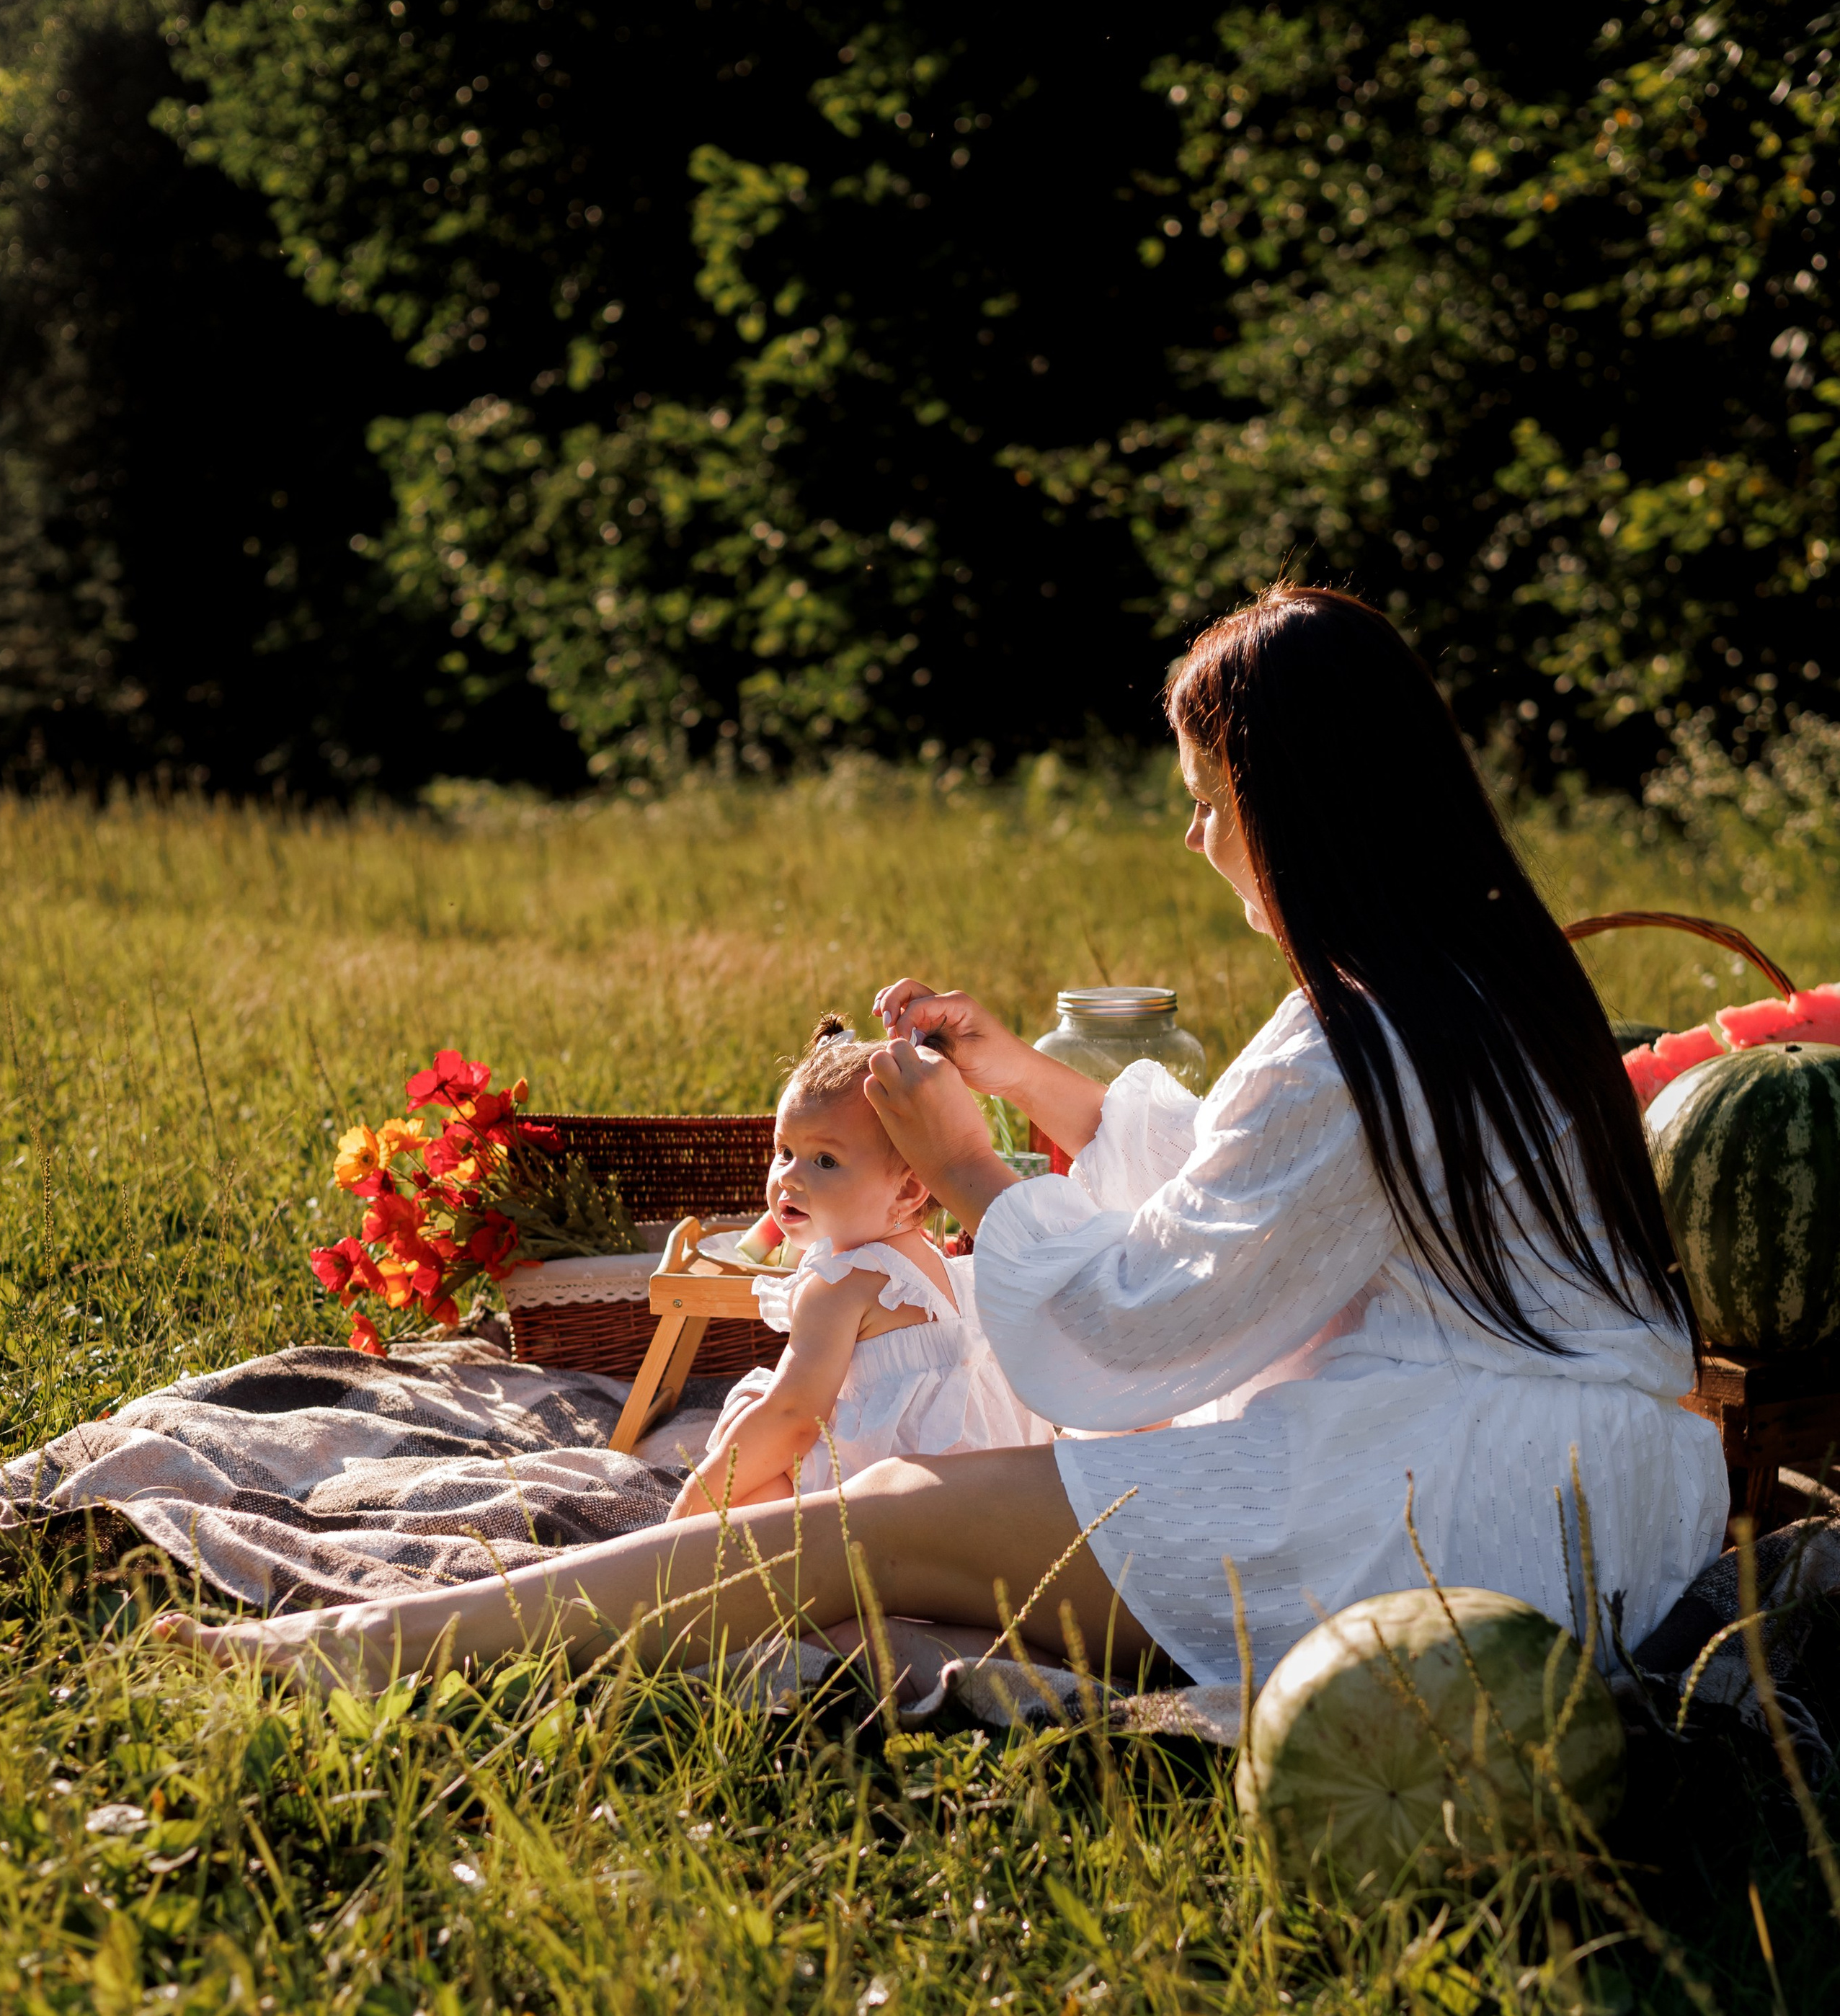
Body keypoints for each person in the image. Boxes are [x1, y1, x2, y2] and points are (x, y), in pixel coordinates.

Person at [163, 582, 1726, 1705]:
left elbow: (1136, 1335)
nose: (1196, 838)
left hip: (1457, 1516)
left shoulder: (1363, 1026)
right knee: (910, 1491)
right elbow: (1247, 1205)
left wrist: (974, 1173)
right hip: (1605, 1507)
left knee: (854, 1531)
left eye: (1208, 798)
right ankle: (394, 1648)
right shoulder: (1483, 980)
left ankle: (347, 1655)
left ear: (1292, 801)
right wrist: (1027, 1083)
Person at [670, 1013, 1052, 1519]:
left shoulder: (839, 1285)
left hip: (899, 1509)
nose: (789, 1179)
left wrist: (692, 1502)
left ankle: (701, 1533)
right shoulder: (930, 1264)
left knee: (751, 1444)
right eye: (784, 1152)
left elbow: (793, 1420)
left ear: (908, 1190)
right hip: (986, 1490)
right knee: (756, 1404)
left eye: (825, 1161)